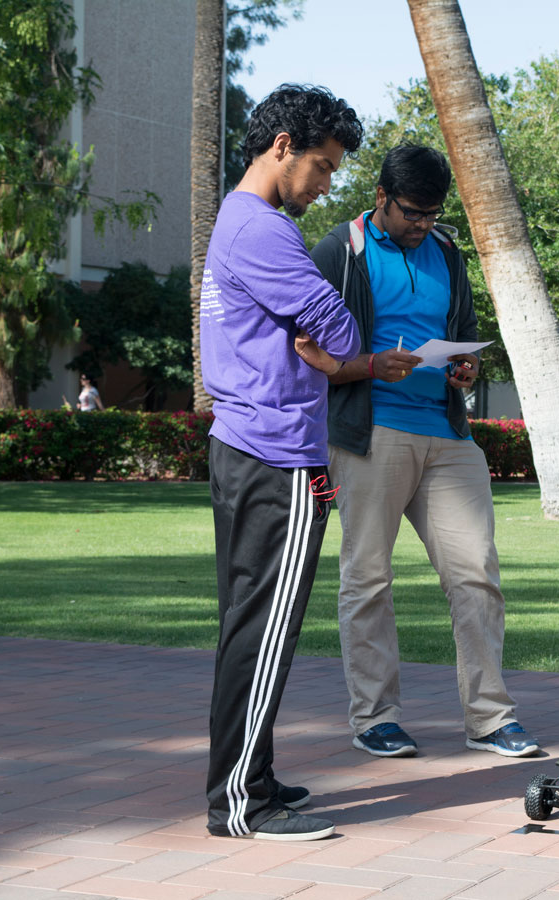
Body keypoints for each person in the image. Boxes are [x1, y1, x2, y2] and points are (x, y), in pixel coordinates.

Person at [309, 144, 539, 760]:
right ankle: (374, 717)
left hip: (446, 433)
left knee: (476, 575)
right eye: (412, 212)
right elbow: (301, 349)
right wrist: (367, 366)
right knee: (368, 577)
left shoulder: (445, 253)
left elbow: (463, 337)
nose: (422, 224)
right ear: (381, 196)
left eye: (432, 213)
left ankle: (490, 718)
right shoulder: (341, 250)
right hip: (370, 432)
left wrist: (465, 368)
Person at [200, 84, 363, 841]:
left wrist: (327, 354)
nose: (328, 184)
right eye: (325, 167)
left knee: (250, 625)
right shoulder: (261, 228)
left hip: (248, 445)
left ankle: (253, 777)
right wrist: (338, 355)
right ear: (283, 146)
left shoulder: (239, 221)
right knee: (265, 632)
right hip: (276, 454)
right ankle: (241, 802)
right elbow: (334, 320)